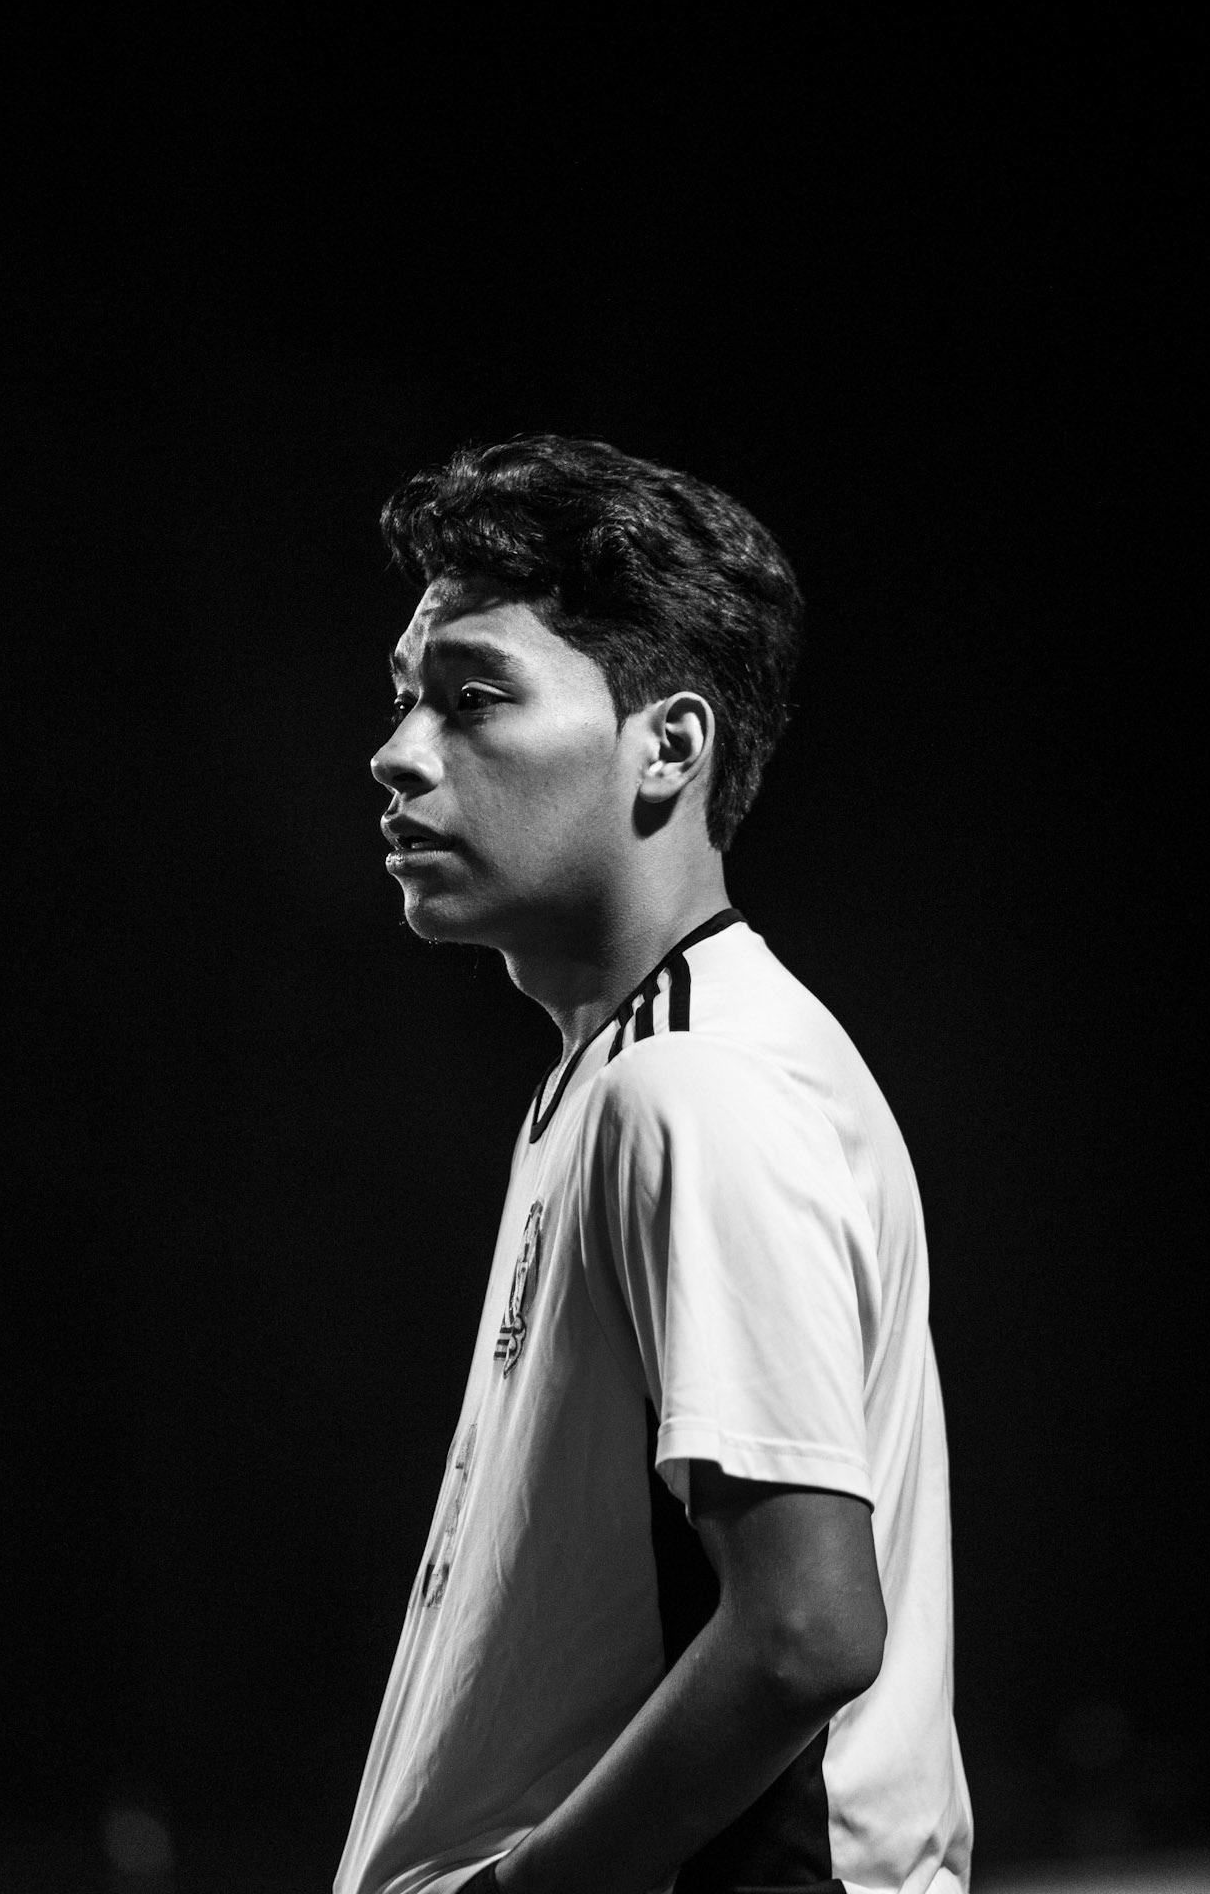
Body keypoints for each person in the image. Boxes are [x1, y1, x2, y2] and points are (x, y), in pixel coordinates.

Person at [336, 436, 972, 1894]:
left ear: (669, 748)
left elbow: (805, 1630)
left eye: (473, 697)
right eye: (404, 698)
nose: (399, 752)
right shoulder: (616, 1067)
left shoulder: (699, 1080)